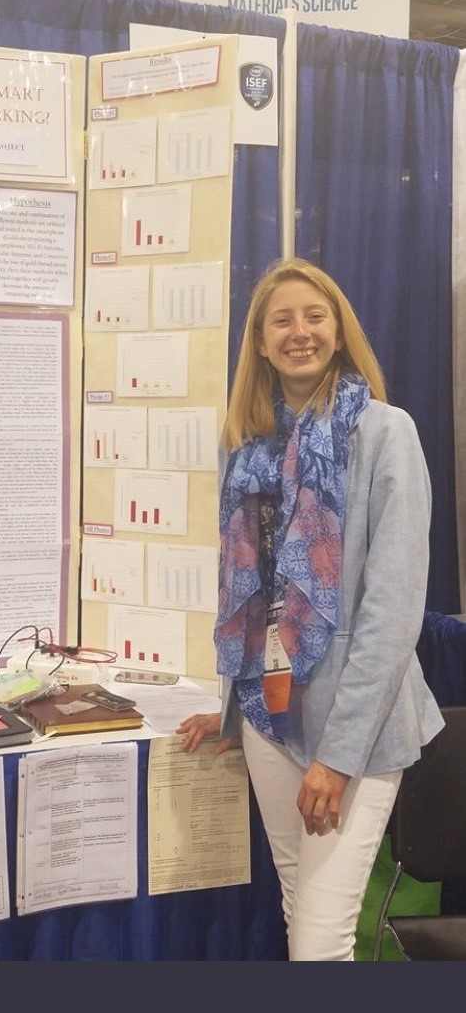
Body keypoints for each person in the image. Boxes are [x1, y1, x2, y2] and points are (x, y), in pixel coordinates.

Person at [177, 256, 444, 961]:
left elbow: (392, 611)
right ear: (260, 342)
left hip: (352, 727)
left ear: (339, 329)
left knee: (321, 943)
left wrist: (339, 754)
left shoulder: (387, 433)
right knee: (303, 917)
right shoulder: (246, 446)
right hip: (271, 712)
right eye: (282, 320)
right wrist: (234, 706)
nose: (300, 332)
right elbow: (251, 593)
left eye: (314, 316)